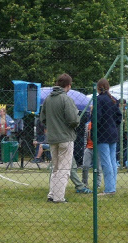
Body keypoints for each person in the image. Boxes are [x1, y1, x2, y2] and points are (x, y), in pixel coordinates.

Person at [40, 73, 81, 203]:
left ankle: (52, 194)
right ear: (68, 86)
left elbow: (43, 119)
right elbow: (73, 120)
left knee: (56, 168)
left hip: (52, 138)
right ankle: (59, 197)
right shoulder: (66, 99)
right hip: (65, 138)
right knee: (64, 169)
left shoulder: (48, 99)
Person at [95, 78, 123, 196]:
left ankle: (109, 189)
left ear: (98, 88)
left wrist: (96, 129)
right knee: (112, 161)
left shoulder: (98, 100)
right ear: (108, 87)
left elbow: (97, 117)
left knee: (106, 162)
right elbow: (119, 117)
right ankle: (112, 186)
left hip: (102, 134)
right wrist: (112, 125)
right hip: (113, 133)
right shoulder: (113, 101)